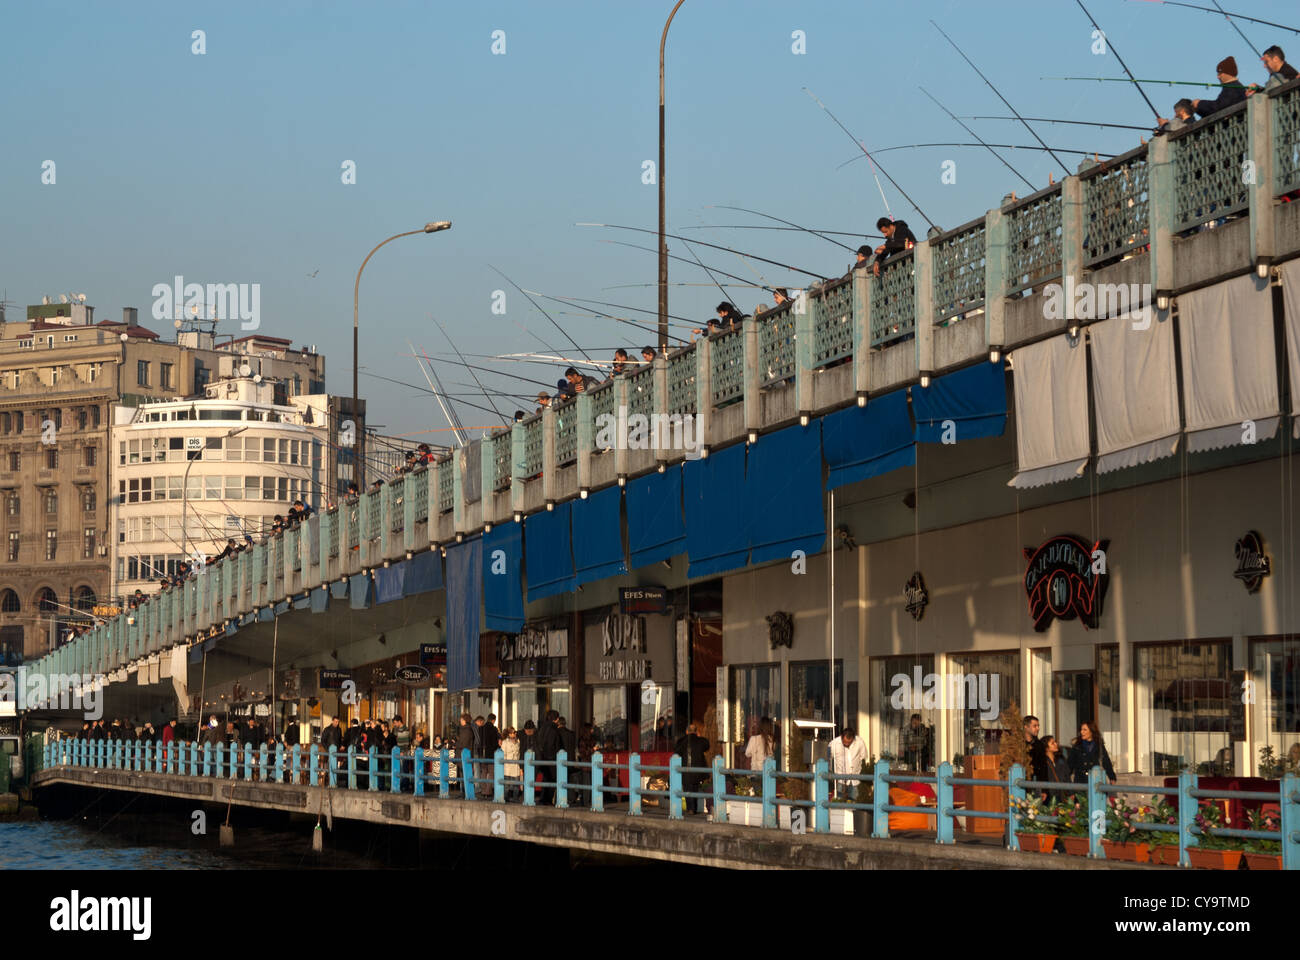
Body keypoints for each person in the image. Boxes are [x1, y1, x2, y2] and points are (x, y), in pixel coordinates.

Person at [673, 722, 711, 815]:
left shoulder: (681, 741)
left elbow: (677, 751)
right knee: (695, 788)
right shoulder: (701, 741)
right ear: (696, 732)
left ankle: (691, 808)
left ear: (686, 732)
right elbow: (707, 746)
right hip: (698, 770)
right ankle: (694, 808)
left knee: (687, 789)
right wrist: (698, 736)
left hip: (685, 769)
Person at [829, 727, 867, 800]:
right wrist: (833, 774)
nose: (846, 744)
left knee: (854, 804)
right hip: (840, 780)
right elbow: (828, 759)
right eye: (845, 742)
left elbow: (864, 757)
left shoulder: (860, 742)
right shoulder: (834, 744)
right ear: (841, 737)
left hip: (855, 780)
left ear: (853, 739)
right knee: (840, 804)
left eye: (849, 743)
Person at [536, 710, 563, 805]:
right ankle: (547, 799)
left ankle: (543, 798)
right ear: (557, 719)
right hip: (551, 758)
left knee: (545, 778)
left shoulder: (542, 728)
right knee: (552, 779)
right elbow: (553, 745)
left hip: (542, 757)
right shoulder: (554, 729)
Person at [454, 713, 475, 796]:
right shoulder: (464, 730)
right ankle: (463, 791)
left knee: (464, 773)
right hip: (461, 754)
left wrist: (455, 744)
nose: (460, 721)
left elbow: (464, 743)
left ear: (465, 721)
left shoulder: (466, 730)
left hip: (464, 754)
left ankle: (465, 791)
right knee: (462, 773)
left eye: (461, 719)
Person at [502, 727, 522, 801]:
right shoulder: (505, 742)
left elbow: (519, 753)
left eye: (515, 732)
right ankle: (505, 797)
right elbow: (503, 754)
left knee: (516, 783)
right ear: (509, 734)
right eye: (513, 732)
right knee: (506, 784)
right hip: (507, 765)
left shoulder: (518, 741)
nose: (514, 734)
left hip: (516, 764)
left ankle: (515, 798)